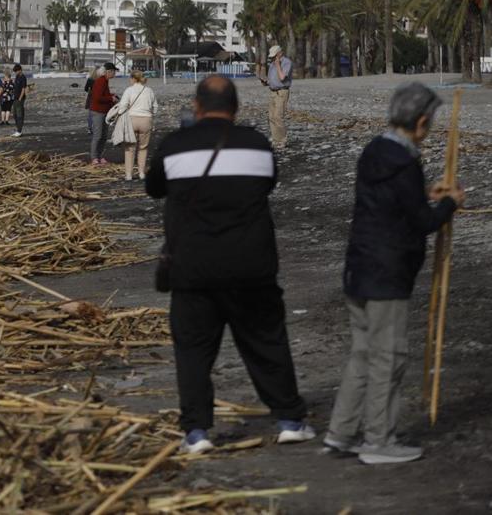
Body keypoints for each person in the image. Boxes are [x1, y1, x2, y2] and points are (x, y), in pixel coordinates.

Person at [146, 75, 314, 454]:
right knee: (266, 343)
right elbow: (267, 183)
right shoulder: (256, 143)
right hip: (251, 266)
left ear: (196, 106)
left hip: (192, 268)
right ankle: (289, 419)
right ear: (236, 109)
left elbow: (154, 188)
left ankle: (197, 432)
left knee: (193, 352)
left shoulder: (175, 147)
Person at [325, 83, 464, 466]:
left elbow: (394, 206)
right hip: (386, 273)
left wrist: (429, 197)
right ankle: (378, 439)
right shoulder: (403, 161)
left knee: (363, 354)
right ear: (421, 122)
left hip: (359, 267)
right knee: (388, 357)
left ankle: (341, 432)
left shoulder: (377, 151)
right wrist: (449, 204)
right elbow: (419, 222)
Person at [116, 70, 158, 181]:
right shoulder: (149, 90)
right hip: (146, 120)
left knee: (130, 148)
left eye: (130, 78)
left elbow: (122, 106)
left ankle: (129, 175)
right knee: (143, 148)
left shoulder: (129, 90)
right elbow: (155, 107)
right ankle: (141, 173)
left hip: (132, 120)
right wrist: (150, 114)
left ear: (134, 79)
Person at [260, 44, 292, 150]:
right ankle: (275, 139)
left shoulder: (286, 62)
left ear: (280, 53)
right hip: (273, 92)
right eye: (272, 57)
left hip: (282, 92)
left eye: (274, 56)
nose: (272, 58)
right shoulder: (272, 64)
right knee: (271, 117)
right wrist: (264, 81)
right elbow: (271, 80)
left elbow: (282, 77)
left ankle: (282, 140)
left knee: (278, 116)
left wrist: (278, 65)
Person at [89, 62, 118, 164]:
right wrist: (111, 98)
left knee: (104, 135)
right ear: (108, 72)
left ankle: (99, 156)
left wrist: (111, 95)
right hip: (98, 111)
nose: (115, 74)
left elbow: (102, 95)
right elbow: (97, 97)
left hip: (104, 111)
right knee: (98, 135)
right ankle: (94, 157)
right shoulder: (101, 81)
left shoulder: (105, 81)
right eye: (114, 72)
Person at [84, 65, 103, 134]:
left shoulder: (90, 79)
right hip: (99, 97)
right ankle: (97, 128)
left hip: (91, 96)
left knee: (90, 114)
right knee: (98, 113)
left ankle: (89, 128)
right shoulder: (100, 79)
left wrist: (90, 90)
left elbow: (85, 89)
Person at [12, 63, 28, 138]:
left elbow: (23, 89)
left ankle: (19, 131)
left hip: (20, 99)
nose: (16, 72)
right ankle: (17, 129)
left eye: (16, 71)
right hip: (15, 98)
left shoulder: (23, 77)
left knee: (19, 115)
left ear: (20, 70)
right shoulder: (17, 76)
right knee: (14, 114)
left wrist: (20, 98)